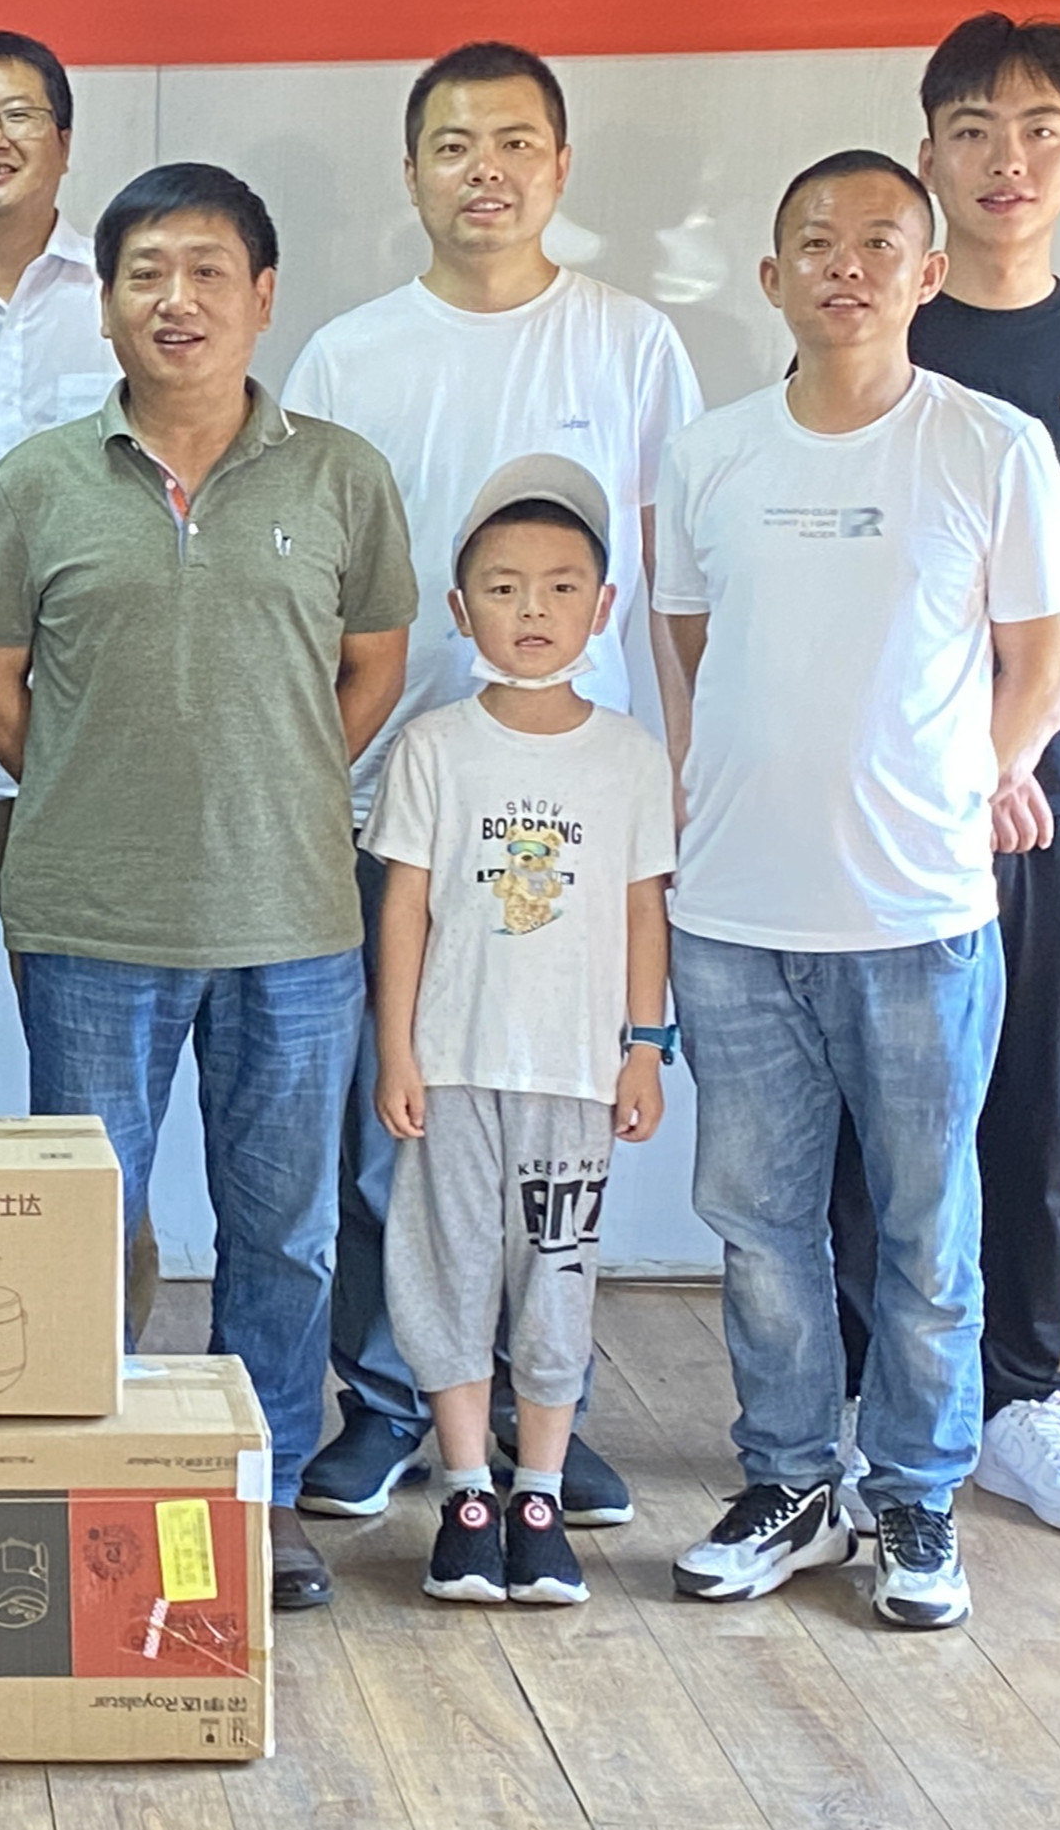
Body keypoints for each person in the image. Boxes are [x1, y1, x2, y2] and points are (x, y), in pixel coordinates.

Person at [0, 161, 417, 1615]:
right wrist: (103, 790)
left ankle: (257, 1494)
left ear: (261, 296)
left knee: (280, 1231)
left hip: (293, 925)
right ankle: (95, 1481)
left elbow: (372, 665)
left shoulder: (339, 474)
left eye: (208, 270)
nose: (177, 299)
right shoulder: (38, 480)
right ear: (103, 305)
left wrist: (274, 782)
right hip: (89, 923)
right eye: (144, 272)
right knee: (90, 1232)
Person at [282, 40, 702, 1529]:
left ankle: (539, 1422)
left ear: (560, 167)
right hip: (391, 792)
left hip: (578, 810)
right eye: (454, 144)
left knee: (553, 1134)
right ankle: (388, 1405)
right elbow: (311, 581)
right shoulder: (348, 354)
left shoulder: (630, 344)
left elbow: (669, 578)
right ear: (410, 172)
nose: (486, 171)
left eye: (516, 142)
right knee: (392, 1123)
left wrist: (679, 765)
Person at [655, 150, 1060, 1634]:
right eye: (815, 243)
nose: (846, 265)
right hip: (733, 917)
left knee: (923, 1231)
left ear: (926, 274)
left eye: (879, 242)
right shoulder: (707, 454)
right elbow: (688, 646)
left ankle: (912, 1492)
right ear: (769, 277)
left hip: (917, 916)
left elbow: (1037, 656)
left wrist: (977, 778)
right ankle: (787, 1480)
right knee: (758, 1228)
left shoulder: (991, 447)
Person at [823, 14, 1060, 1542]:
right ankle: (863, 1401)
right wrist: (948, 758)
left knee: (1033, 1101)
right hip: (884, 791)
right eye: (973, 128)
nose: (1006, 158)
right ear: (926, 152)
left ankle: (1017, 1400)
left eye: (1039, 129)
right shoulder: (869, 340)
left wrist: (1016, 744)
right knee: (874, 1108)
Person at [366, 456, 676, 1610]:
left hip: (574, 1073)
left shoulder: (627, 755)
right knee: (443, 1268)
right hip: (451, 1064)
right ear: (459, 609)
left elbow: (642, 909)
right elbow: (404, 905)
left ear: (603, 606)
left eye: (559, 586)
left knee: (555, 1274)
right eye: (500, 587)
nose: (530, 610)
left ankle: (536, 1493)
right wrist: (396, 1048)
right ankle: (464, 1492)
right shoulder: (433, 747)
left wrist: (643, 1045)